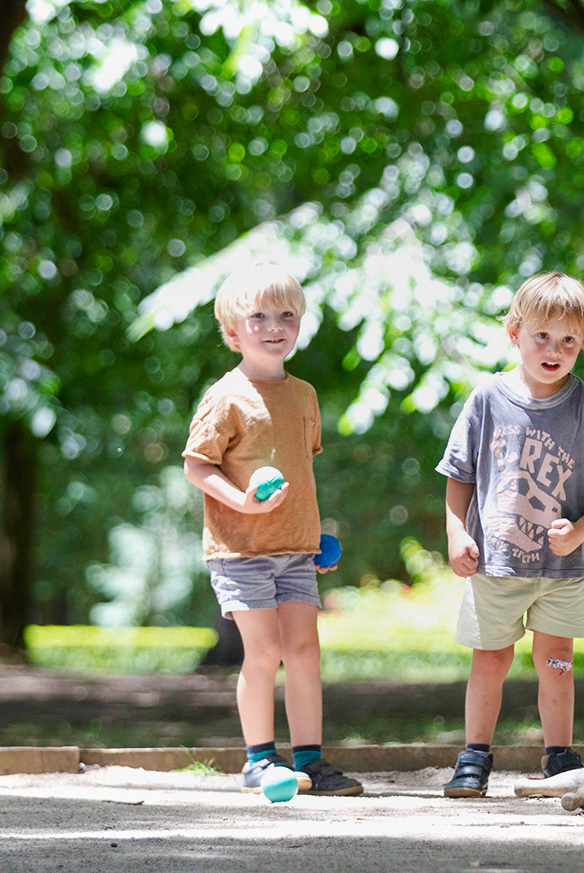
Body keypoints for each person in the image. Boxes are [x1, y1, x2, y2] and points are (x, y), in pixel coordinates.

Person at [436, 271, 584, 797]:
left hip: (561, 568)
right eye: (542, 337)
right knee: (491, 659)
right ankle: (474, 757)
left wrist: (580, 531)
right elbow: (460, 477)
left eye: (568, 340)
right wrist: (457, 533)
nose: (554, 350)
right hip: (496, 565)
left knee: (558, 664)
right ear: (515, 333)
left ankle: (559, 759)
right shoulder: (486, 399)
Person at [182, 263, 362, 796]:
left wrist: (314, 535)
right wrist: (241, 502)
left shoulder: (304, 394)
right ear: (232, 331)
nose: (273, 324)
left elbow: (299, 472)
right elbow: (196, 465)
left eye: (286, 314)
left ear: (300, 324)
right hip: (241, 552)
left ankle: (311, 758)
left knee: (305, 650)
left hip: (296, 550)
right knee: (263, 653)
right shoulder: (226, 395)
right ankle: (259, 759)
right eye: (257, 316)